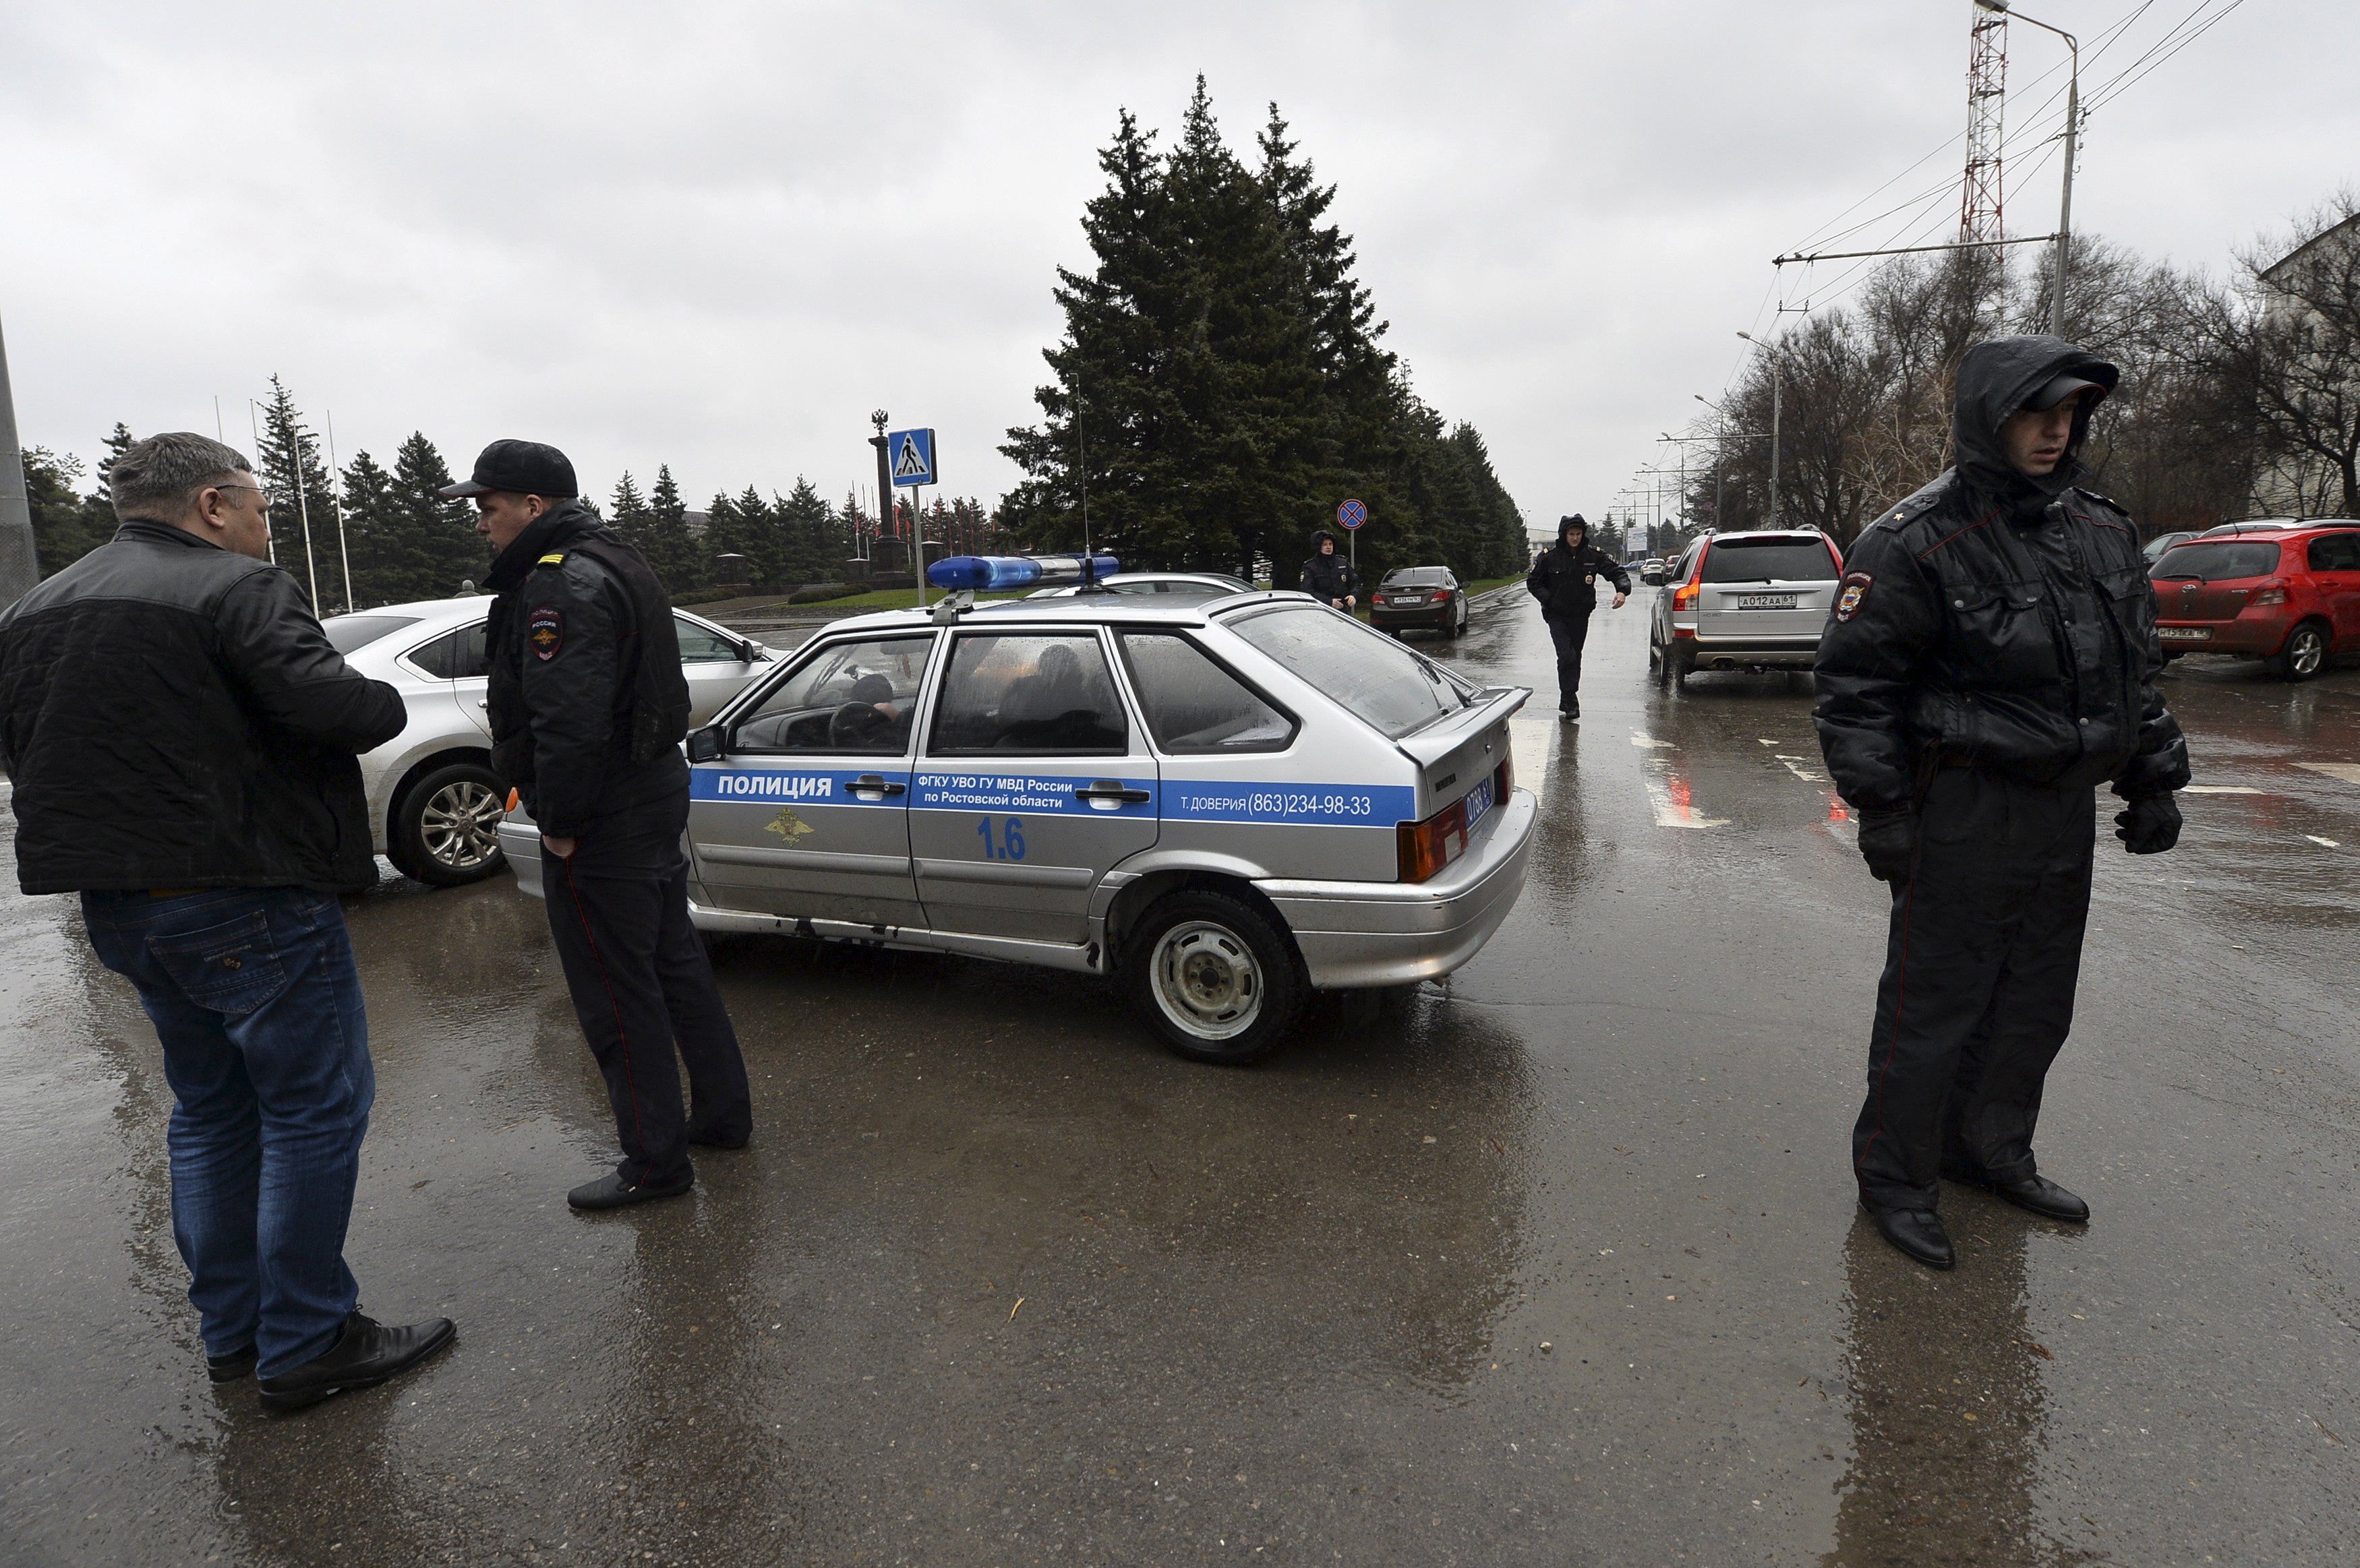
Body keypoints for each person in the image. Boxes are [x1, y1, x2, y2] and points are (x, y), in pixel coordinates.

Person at [0, 432, 454, 1411]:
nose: (265, 526)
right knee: (314, 1106)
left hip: (120, 906)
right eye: (259, 506)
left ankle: (236, 1334)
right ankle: (308, 1338)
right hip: (246, 891)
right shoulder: (238, 587)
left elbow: (25, 749)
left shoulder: (33, 608)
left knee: (210, 1110)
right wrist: (381, 693)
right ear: (213, 504)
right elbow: (338, 709)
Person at [1813, 335, 2189, 1271]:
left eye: (2068, 413)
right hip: (1963, 806)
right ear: (1989, 418)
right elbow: (1856, 690)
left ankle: (1990, 1150)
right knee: (1934, 1009)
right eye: (2034, 412)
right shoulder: (1915, 540)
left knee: (2033, 1001)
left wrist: (2153, 776)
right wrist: (1883, 809)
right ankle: (1895, 1178)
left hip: (2060, 812)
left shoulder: (2099, 530)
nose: (2054, 431)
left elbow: (2132, 670)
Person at [454, 439, 753, 1211]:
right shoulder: (613, 556)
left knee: (617, 993)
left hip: (605, 814)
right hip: (649, 793)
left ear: (533, 506)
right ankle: (721, 1114)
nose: (481, 524)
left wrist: (559, 823)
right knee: (674, 962)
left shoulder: (559, 584)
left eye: (489, 507)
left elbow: (569, 719)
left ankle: (654, 1162)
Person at [1525, 514, 1629, 718]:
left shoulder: (1592, 555)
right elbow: (1533, 582)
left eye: (1578, 534)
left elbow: (1617, 572)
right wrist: (1550, 601)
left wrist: (1622, 590)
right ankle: (1570, 699)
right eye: (1571, 534)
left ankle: (1568, 696)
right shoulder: (1549, 557)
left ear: (1583, 535)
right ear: (1564, 535)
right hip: (1557, 615)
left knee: (1575, 656)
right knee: (1566, 655)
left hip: (1581, 615)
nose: (1575, 538)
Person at [1299, 529, 1359, 611]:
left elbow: (1355, 582)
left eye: (1330, 544)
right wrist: (1329, 602)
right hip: (1321, 610)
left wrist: (1353, 595)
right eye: (1325, 545)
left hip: (1342, 610)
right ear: (1318, 546)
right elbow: (1307, 591)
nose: (1328, 547)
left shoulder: (1342, 562)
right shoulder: (1310, 566)